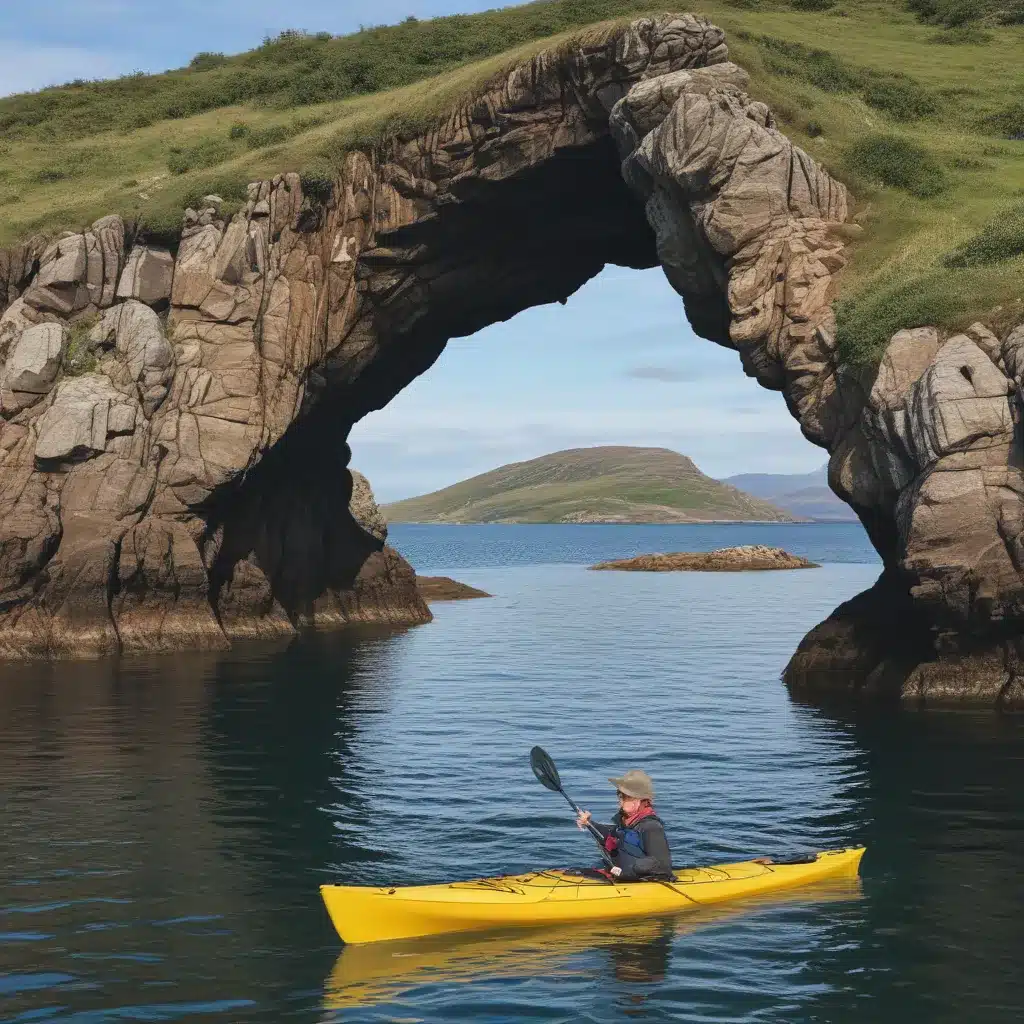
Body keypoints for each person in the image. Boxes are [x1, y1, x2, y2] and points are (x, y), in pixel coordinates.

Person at [575, 768, 673, 881]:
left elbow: (661, 864)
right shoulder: (625, 821)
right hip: (621, 876)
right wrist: (589, 823)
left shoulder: (651, 827)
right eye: (620, 795)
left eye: (626, 796)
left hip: (644, 882)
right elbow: (611, 836)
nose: (620, 800)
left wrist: (627, 871)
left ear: (642, 801)